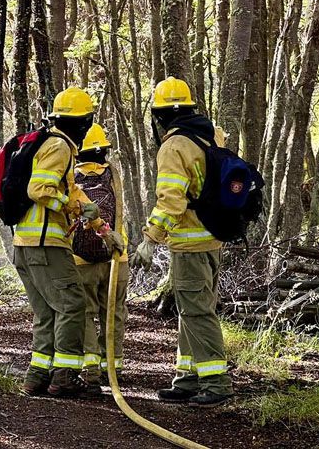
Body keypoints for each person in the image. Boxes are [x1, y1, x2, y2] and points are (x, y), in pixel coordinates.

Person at [131, 76, 233, 408]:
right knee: (190, 310)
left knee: (197, 312)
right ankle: (187, 378)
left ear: (160, 115)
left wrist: (149, 239)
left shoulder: (174, 146)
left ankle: (216, 382)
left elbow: (171, 201)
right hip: (213, 237)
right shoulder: (211, 134)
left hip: (190, 242)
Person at [13, 87, 105, 397]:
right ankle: (64, 375)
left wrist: (101, 226)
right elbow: (40, 190)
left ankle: (37, 375)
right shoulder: (59, 146)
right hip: (46, 243)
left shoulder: (49, 143)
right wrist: (72, 207)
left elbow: (70, 192)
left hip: (25, 244)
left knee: (48, 311)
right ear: (82, 123)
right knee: (73, 304)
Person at [71, 124, 129, 391]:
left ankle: (90, 369)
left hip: (79, 259)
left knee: (85, 313)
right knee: (113, 312)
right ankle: (112, 367)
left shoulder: (71, 178)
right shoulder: (114, 175)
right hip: (116, 255)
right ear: (102, 150)